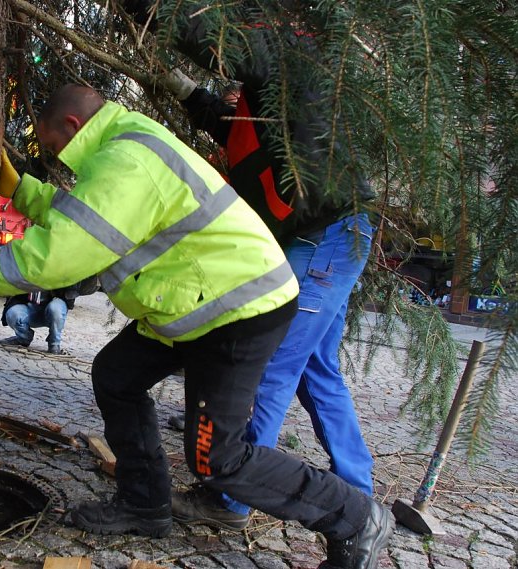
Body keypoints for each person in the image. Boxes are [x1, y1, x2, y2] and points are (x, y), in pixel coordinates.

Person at [0, 84, 393, 569]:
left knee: (218, 459)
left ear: (73, 127)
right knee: (116, 375)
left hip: (237, 311)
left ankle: (355, 517)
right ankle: (144, 504)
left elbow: (59, 255)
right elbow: (84, 219)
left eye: (55, 147)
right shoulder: (121, 146)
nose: (56, 159)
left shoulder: (125, 161)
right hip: (194, 304)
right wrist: (22, 192)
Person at [137, 1, 378, 533]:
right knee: (316, 370)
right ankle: (360, 492)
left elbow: (223, 45)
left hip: (326, 236)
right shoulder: (261, 112)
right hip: (337, 232)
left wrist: (149, 10)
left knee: (270, 367)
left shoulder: (286, 63)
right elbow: (224, 123)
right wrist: (173, 83)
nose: (226, 85)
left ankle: (233, 500)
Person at [0, 278, 97, 354]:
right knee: (13, 313)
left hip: (54, 305)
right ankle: (23, 338)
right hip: (29, 306)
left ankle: (54, 344)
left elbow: (86, 288)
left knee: (56, 309)